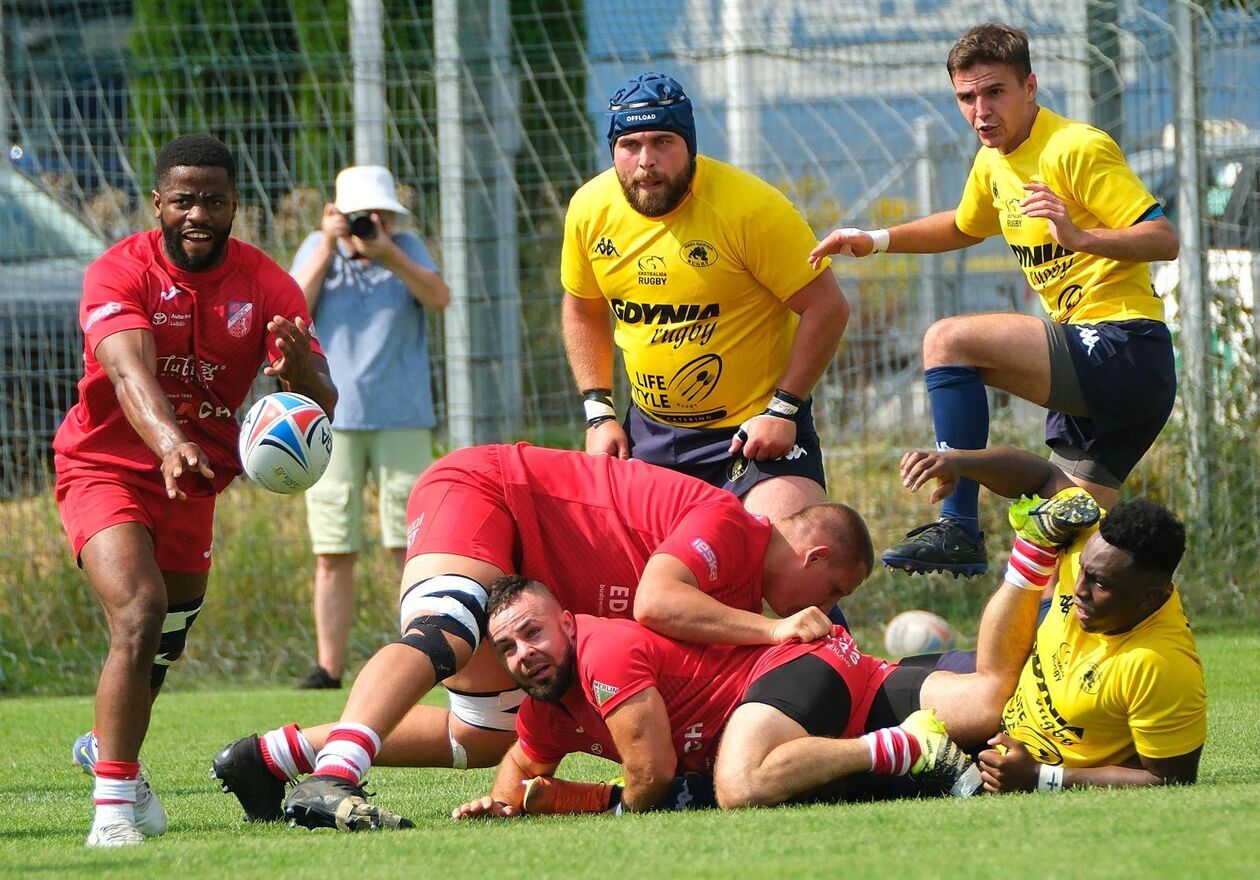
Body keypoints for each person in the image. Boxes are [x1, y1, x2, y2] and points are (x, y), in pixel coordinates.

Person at [210, 443, 873, 828]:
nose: (830, 606)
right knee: (448, 630)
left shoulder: (730, 602)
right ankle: (334, 777)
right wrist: (778, 627)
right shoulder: (733, 524)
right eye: (837, 591)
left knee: (488, 733)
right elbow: (655, 601)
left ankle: (270, 757)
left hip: (531, 580)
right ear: (815, 559)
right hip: (488, 488)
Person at [810, 22, 1180, 577]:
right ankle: (1125, 641)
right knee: (1064, 559)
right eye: (966, 97)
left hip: (1123, 346)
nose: (981, 110)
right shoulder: (992, 161)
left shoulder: (1074, 147)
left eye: (994, 92)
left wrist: (1081, 238)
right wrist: (875, 240)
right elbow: (962, 226)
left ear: (1030, 87)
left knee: (948, 339)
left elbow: (1164, 239)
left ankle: (958, 526)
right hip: (1105, 376)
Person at [54, 134, 337, 847]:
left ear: (236, 204)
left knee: (159, 646)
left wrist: (301, 369)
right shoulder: (119, 272)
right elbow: (128, 373)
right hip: (107, 465)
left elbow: (324, 401)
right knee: (139, 612)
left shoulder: (271, 286)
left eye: (214, 199)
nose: (198, 213)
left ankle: (104, 747)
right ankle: (114, 805)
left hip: (197, 485)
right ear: (158, 203)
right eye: (183, 199)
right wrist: (170, 441)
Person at [561, 72, 851, 526]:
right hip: (651, 435)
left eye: (663, 142)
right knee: (645, 580)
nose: (646, 162)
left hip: (754, 433)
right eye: (630, 145)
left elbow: (827, 307)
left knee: (784, 556)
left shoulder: (751, 209)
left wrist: (784, 410)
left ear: (690, 144)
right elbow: (583, 308)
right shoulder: (589, 209)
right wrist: (599, 414)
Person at [452, 574, 969, 820]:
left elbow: (649, 777)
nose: (524, 652)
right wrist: (501, 806)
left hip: (793, 667)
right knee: (991, 707)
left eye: (533, 633)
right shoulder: (547, 705)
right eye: (508, 648)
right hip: (805, 701)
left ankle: (906, 747)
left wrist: (602, 801)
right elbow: (520, 765)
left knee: (738, 787)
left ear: (567, 623)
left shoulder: (601, 652)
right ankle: (942, 743)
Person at [289, 165, 450, 689]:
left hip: (401, 414)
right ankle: (328, 668)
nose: (369, 222)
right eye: (360, 215)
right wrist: (328, 244)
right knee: (334, 548)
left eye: (377, 214)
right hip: (329, 419)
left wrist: (387, 252)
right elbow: (292, 305)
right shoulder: (319, 246)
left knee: (413, 545)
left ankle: (421, 653)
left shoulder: (404, 247)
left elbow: (438, 297)